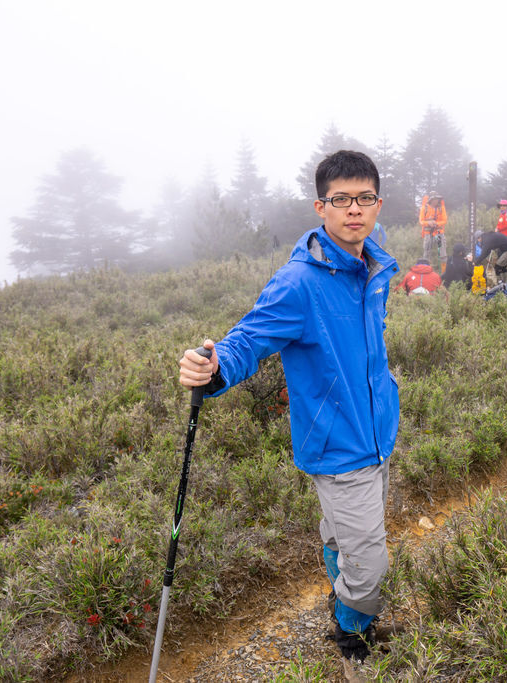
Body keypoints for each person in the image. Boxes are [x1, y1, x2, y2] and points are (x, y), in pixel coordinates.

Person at [177, 150, 398, 666]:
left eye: (364, 198)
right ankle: (351, 631)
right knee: (371, 569)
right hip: (339, 448)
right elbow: (247, 339)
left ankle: (343, 582)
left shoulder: (373, 259)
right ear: (320, 207)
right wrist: (212, 369)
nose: (354, 210)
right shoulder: (298, 283)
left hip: (379, 430)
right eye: (340, 200)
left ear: (378, 204)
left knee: (347, 539)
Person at [419, 191, 447, 267]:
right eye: (434, 199)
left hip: (439, 233)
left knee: (442, 253)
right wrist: (429, 223)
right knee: (427, 253)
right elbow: (421, 221)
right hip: (428, 233)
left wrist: (436, 223)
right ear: (430, 200)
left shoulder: (441, 208)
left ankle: (444, 272)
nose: (436, 201)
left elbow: (444, 220)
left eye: (437, 199)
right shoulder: (424, 208)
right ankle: (425, 269)